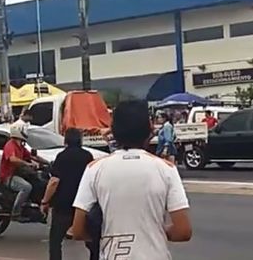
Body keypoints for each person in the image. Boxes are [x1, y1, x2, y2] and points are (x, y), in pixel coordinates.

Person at [71, 100, 192, 260]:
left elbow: (78, 230)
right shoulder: (166, 169)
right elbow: (183, 231)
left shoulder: (94, 169)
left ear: (114, 131)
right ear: (149, 130)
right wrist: (156, 232)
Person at [41, 128, 95, 260]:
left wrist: (45, 201)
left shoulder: (62, 156)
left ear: (66, 140)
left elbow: (54, 181)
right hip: (83, 205)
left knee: (55, 242)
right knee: (91, 241)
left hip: (63, 206)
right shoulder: (87, 156)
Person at [0, 123, 49, 220]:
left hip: (18, 174)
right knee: (26, 187)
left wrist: (47, 162)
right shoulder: (10, 145)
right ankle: (16, 213)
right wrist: (27, 164)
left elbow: (33, 156)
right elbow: (12, 159)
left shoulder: (20, 147)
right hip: (8, 176)